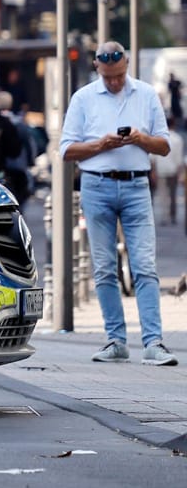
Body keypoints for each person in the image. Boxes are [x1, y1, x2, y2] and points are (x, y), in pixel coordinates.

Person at [60, 41, 179, 364]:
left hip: (136, 185)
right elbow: (67, 150)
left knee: (145, 266)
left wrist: (141, 139)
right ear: (98, 68)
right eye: (109, 77)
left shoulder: (145, 94)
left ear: (127, 65)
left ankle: (154, 342)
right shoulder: (83, 98)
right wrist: (100, 145)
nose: (114, 82)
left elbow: (165, 147)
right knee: (104, 268)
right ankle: (116, 340)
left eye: (120, 76)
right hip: (95, 186)